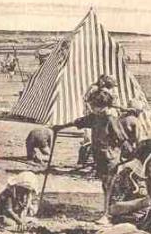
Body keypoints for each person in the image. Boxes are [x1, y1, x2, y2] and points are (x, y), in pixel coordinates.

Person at [53, 89, 133, 222]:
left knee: (109, 185)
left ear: (102, 106)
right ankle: (107, 212)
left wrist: (131, 154)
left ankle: (107, 215)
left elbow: (122, 139)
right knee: (105, 185)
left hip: (110, 157)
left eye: (93, 106)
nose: (90, 108)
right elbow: (79, 122)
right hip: (99, 155)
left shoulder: (110, 119)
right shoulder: (94, 117)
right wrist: (60, 127)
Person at [106, 139, 151, 233]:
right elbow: (113, 208)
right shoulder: (127, 173)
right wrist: (143, 202)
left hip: (149, 222)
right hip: (131, 224)